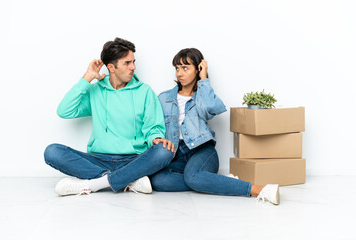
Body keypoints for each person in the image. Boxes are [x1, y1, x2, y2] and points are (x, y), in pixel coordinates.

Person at [44, 37, 175, 196]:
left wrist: (155, 138)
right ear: (111, 67)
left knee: (165, 150)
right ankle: (128, 181)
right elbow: (64, 110)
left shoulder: (144, 91)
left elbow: (153, 126)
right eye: (127, 63)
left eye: (133, 61)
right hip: (98, 159)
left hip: (134, 160)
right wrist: (87, 78)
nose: (133, 67)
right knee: (52, 151)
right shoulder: (95, 91)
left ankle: (94, 184)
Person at [150, 48, 280, 205]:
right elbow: (155, 126)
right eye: (177, 68)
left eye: (185, 68)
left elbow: (214, 108)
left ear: (198, 69)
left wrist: (203, 79)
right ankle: (214, 181)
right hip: (176, 153)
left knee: (192, 177)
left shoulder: (203, 96)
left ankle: (259, 189)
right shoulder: (163, 98)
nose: (179, 73)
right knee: (158, 181)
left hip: (202, 150)